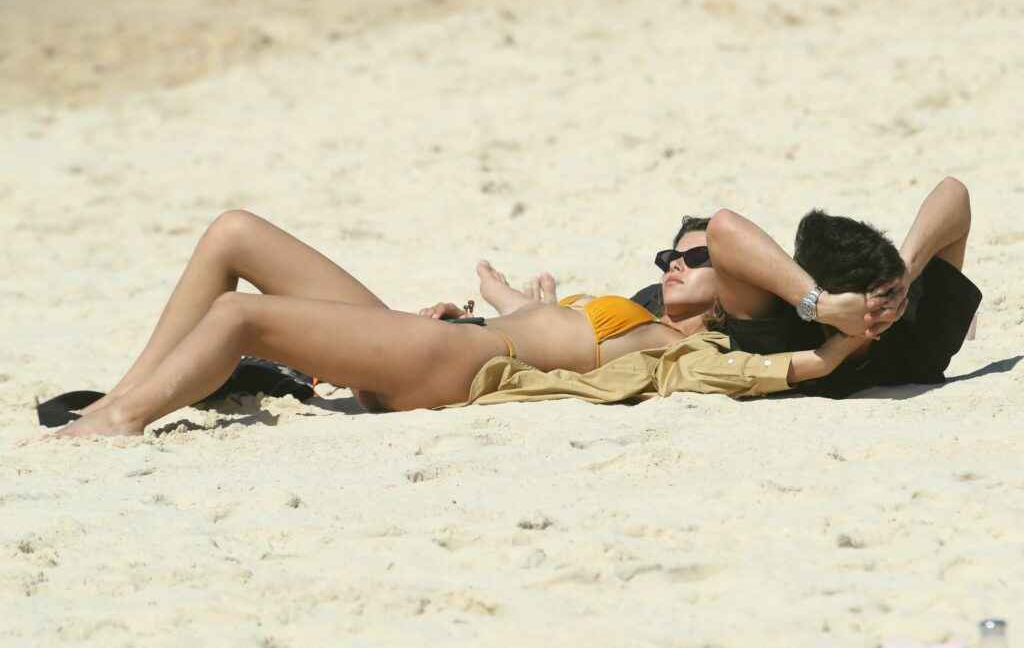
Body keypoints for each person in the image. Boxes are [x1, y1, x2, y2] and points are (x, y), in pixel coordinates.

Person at [54, 211, 872, 437]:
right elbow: (549, 339)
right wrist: (516, 301)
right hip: (441, 341)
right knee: (233, 233)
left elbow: (733, 241)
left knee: (240, 315)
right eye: (670, 252)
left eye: (695, 259)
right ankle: (117, 398)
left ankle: (119, 420)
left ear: (735, 294)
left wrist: (829, 323)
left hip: (448, 366)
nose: (676, 262)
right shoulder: (639, 314)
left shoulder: (689, 348)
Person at [702, 176, 980, 397]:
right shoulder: (783, 329)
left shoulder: (914, 331)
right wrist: (822, 306)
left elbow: (954, 193)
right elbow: (722, 228)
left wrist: (904, 272)